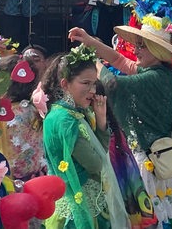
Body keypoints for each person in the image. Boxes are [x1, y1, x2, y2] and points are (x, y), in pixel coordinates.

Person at [67, 20, 172, 224]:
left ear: (157, 50)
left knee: (147, 220)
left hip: (148, 162)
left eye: (142, 45)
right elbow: (119, 60)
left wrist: (93, 63)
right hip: (155, 157)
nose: (136, 49)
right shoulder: (161, 72)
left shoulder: (154, 78)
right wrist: (90, 42)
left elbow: (112, 83)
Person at [41, 47, 129, 228]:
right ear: (65, 84)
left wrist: (101, 120)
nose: (92, 90)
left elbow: (98, 156)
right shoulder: (66, 120)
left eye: (94, 83)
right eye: (85, 83)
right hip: (80, 207)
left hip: (77, 200)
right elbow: (96, 164)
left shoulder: (69, 112)